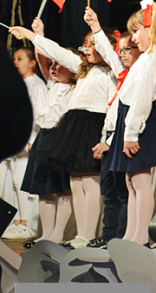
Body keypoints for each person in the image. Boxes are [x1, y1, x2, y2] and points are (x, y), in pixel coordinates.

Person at [10, 16, 117, 250]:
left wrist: (105, 139)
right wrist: (31, 35)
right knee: (75, 182)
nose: (86, 48)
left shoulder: (111, 73)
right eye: (85, 44)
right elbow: (58, 52)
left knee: (90, 182)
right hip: (74, 125)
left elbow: (112, 109)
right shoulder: (82, 70)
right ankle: (80, 234)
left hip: (93, 124)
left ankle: (90, 233)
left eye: (91, 44)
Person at [106, 0, 156, 246]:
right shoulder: (146, 56)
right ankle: (130, 234)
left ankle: (142, 236)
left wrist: (132, 132)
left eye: (137, 31)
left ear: (152, 28)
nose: (133, 38)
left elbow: (144, 98)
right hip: (129, 119)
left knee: (142, 182)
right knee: (131, 181)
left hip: (140, 121)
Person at [89, 25, 141, 249]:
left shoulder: (140, 77)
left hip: (122, 140)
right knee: (108, 192)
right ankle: (108, 234)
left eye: (129, 49)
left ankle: (120, 236)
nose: (123, 54)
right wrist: (94, 27)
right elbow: (108, 52)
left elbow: (129, 117)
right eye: (121, 50)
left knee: (122, 192)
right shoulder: (122, 75)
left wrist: (109, 143)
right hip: (109, 135)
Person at [19, 56, 76, 248]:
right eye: (52, 64)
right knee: (44, 188)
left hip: (62, 138)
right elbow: (43, 62)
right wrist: (39, 34)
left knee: (62, 187)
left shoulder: (75, 88)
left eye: (59, 65)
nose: (53, 68)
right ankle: (47, 233)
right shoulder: (53, 85)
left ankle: (58, 234)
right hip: (44, 137)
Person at [2, 49, 47, 239]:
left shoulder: (36, 85)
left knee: (24, 185)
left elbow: (38, 114)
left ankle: (29, 224)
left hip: (28, 144)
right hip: (16, 147)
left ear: (32, 63)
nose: (15, 62)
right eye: (13, 59)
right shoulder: (19, 84)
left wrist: (31, 140)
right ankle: (18, 221)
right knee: (13, 185)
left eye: (20, 59)